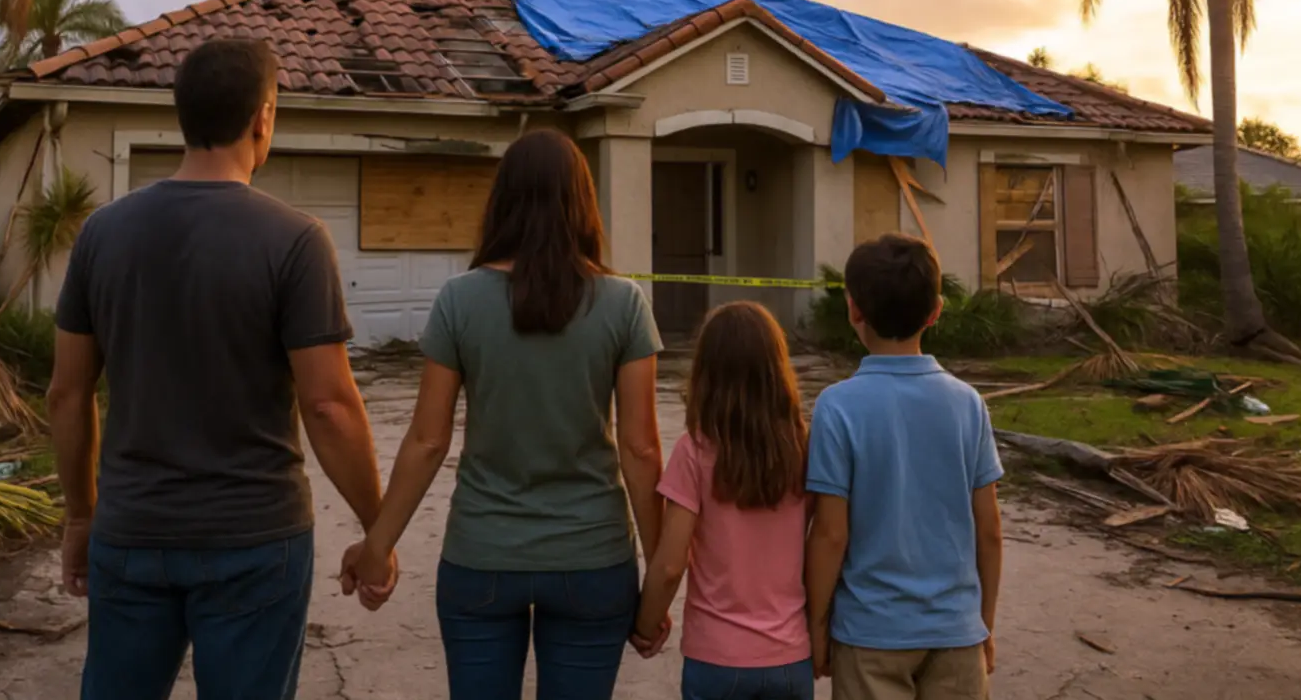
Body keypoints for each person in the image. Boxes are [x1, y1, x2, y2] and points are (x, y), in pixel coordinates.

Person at [48, 38, 391, 700]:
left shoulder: (103, 233)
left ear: (182, 114)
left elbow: (67, 394)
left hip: (131, 532)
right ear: (264, 116)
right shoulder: (295, 240)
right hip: (255, 541)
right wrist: (377, 528)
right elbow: (329, 406)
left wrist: (81, 517)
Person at [342, 128, 665, 700]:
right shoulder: (624, 304)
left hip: (482, 558)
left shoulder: (460, 300)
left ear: (503, 201)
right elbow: (641, 452)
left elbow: (426, 441)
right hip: (592, 561)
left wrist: (377, 546)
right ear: (583, 202)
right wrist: (659, 579)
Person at [804, 233, 1005, 700]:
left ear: (854, 310)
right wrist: (984, 624)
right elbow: (989, 529)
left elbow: (831, 533)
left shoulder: (837, 407)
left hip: (869, 635)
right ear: (936, 311)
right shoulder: (967, 403)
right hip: (956, 632)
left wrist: (816, 624)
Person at [633, 301, 814, 700]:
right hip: (790, 658)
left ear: (705, 372)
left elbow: (669, 565)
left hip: (717, 659)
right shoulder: (804, 447)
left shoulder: (694, 451)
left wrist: (646, 625)